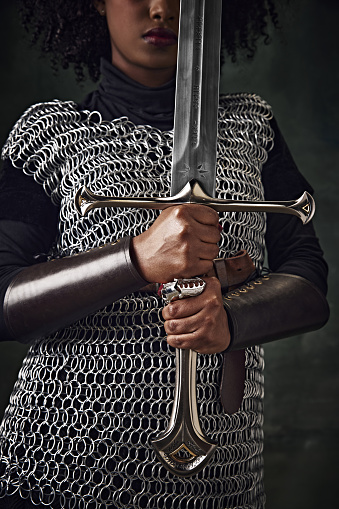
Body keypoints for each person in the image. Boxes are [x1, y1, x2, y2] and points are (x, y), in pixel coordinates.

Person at [0, 0, 329, 508]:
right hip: (65, 474)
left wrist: (233, 319)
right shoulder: (49, 137)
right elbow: (3, 298)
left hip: (219, 477)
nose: (161, 9)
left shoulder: (252, 128)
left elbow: (309, 280)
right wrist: (135, 258)